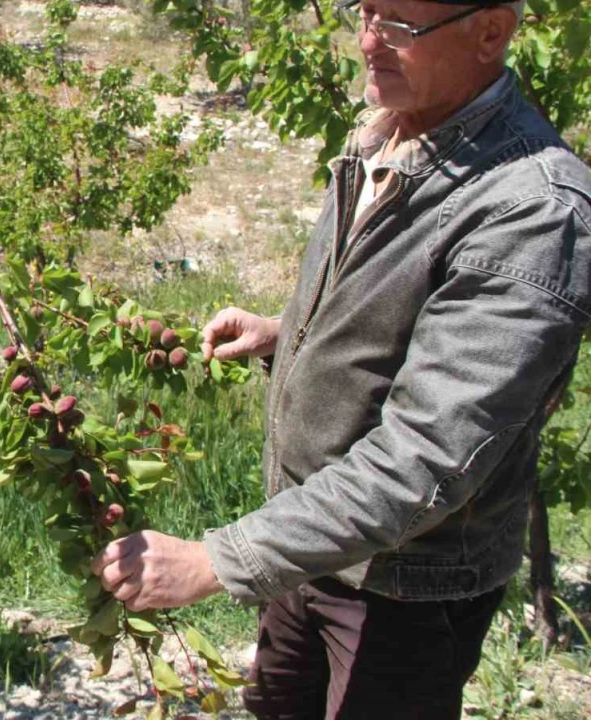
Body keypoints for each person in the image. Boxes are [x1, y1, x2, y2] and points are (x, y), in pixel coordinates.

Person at [91, 0, 591, 717]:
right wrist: (286, 331)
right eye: (365, 11)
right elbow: (402, 312)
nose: (366, 41)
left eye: (399, 25)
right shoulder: (393, 133)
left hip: (401, 590)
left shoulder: (531, 210)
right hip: (311, 546)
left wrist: (219, 560)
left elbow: (428, 456)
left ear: (491, 32)